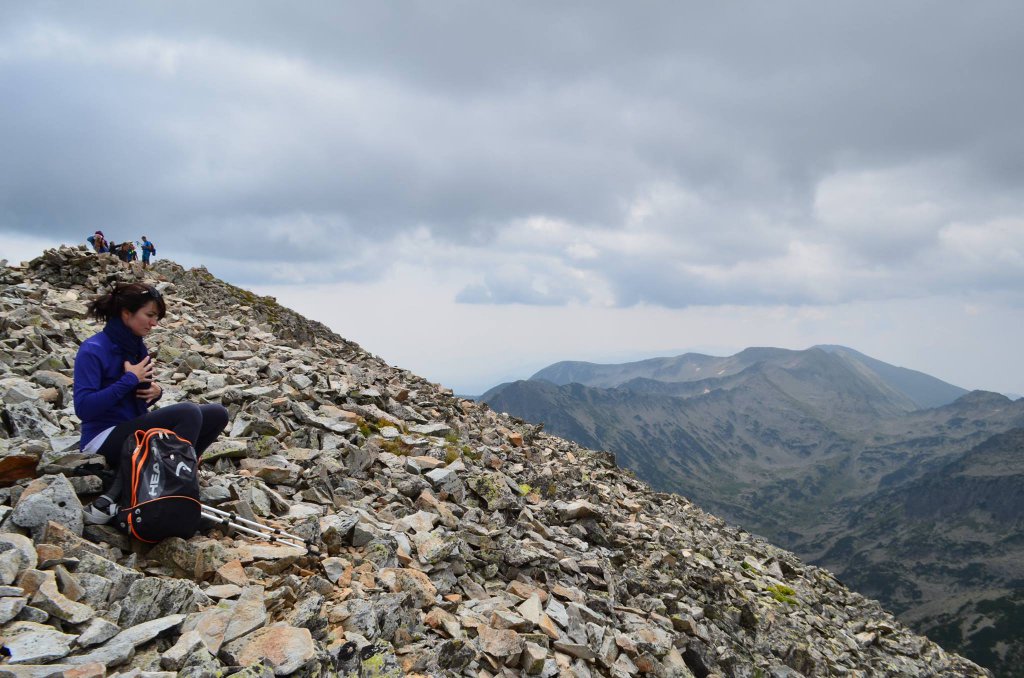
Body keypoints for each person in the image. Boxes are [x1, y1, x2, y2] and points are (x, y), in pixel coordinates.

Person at [73, 282, 229, 524]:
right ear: (126, 313)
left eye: (156, 317)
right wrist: (130, 379)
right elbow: (84, 409)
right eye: (150, 315)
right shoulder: (93, 349)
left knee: (216, 413)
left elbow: (134, 401)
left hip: (128, 432)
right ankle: (164, 491)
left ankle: (177, 477)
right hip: (101, 438)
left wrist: (154, 393)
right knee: (187, 412)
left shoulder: (136, 347)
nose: (154, 323)